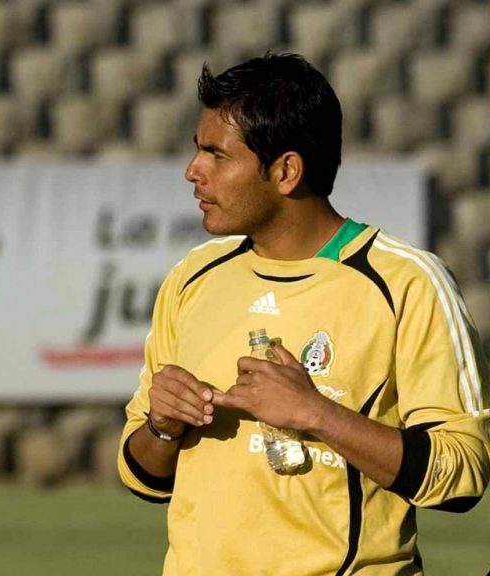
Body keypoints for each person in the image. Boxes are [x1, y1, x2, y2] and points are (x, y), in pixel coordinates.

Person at [118, 53, 489, 575]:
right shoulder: (193, 277)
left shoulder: (407, 282)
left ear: (286, 171)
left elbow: (461, 476)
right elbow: (145, 478)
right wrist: (162, 427)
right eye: (197, 150)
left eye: (216, 154)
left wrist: (316, 413)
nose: (192, 171)